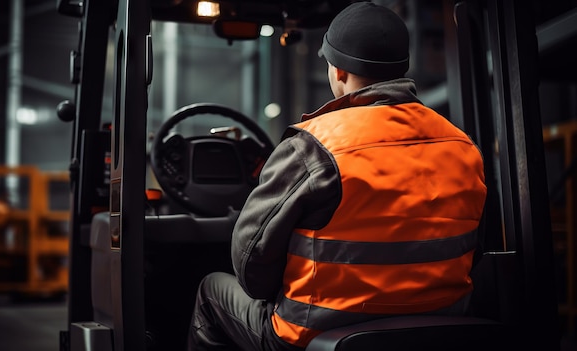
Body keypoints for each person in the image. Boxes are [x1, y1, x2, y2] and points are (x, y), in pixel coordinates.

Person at [186, 2, 487, 350]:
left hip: (313, 338)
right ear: (401, 68)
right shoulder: (463, 146)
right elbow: (472, 250)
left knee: (211, 291)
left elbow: (251, 264)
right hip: (439, 331)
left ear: (338, 71)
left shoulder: (314, 144)